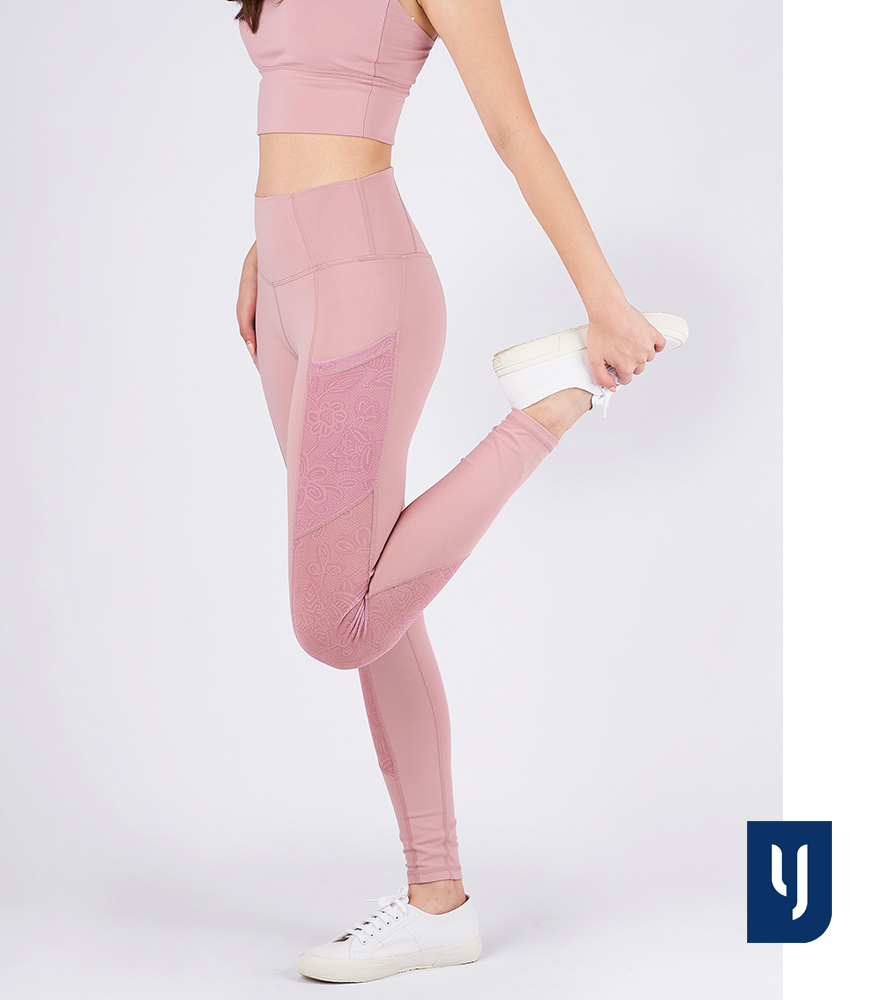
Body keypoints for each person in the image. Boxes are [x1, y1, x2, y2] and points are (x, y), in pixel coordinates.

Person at [230, 0, 686, 983]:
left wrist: (604, 303)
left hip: (364, 286)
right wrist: (268, 246)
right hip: (291, 293)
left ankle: (547, 409)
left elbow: (513, 129)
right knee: (378, 600)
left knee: (336, 622)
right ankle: (437, 902)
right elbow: (298, 97)